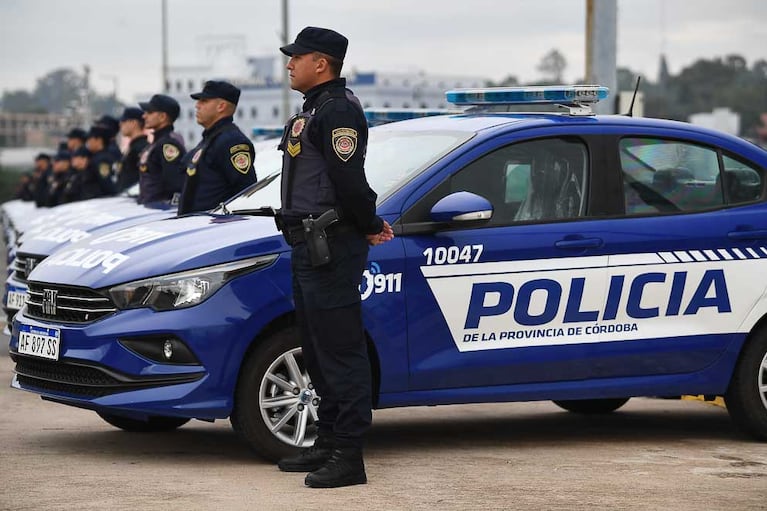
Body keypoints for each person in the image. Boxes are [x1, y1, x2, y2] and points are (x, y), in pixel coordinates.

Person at [275, 26, 394, 488]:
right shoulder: (315, 109)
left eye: (296, 57)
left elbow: (349, 181)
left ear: (320, 63)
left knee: (341, 351)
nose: (289, 64)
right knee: (318, 347)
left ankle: (349, 455)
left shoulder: (338, 111)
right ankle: (327, 442)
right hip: (307, 244)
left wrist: (368, 224)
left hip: (331, 246)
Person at [177, 80, 257, 215]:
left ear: (221, 106)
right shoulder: (211, 139)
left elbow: (245, 191)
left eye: (204, 101)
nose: (197, 105)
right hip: (196, 225)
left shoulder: (232, 141)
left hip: (212, 227)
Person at [137, 94, 186, 204]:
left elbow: (174, 183)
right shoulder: (155, 143)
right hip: (149, 207)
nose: (144, 116)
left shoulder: (168, 145)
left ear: (163, 117)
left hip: (158, 211)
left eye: (149, 112)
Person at [116, 107, 149, 191]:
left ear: (134, 123)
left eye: (123, 121)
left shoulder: (141, 148)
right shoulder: (133, 147)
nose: (120, 124)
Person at [82, 125, 117, 199]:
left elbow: (106, 183)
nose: (88, 142)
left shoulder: (101, 159)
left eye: (90, 139)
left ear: (99, 140)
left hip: (97, 201)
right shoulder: (97, 157)